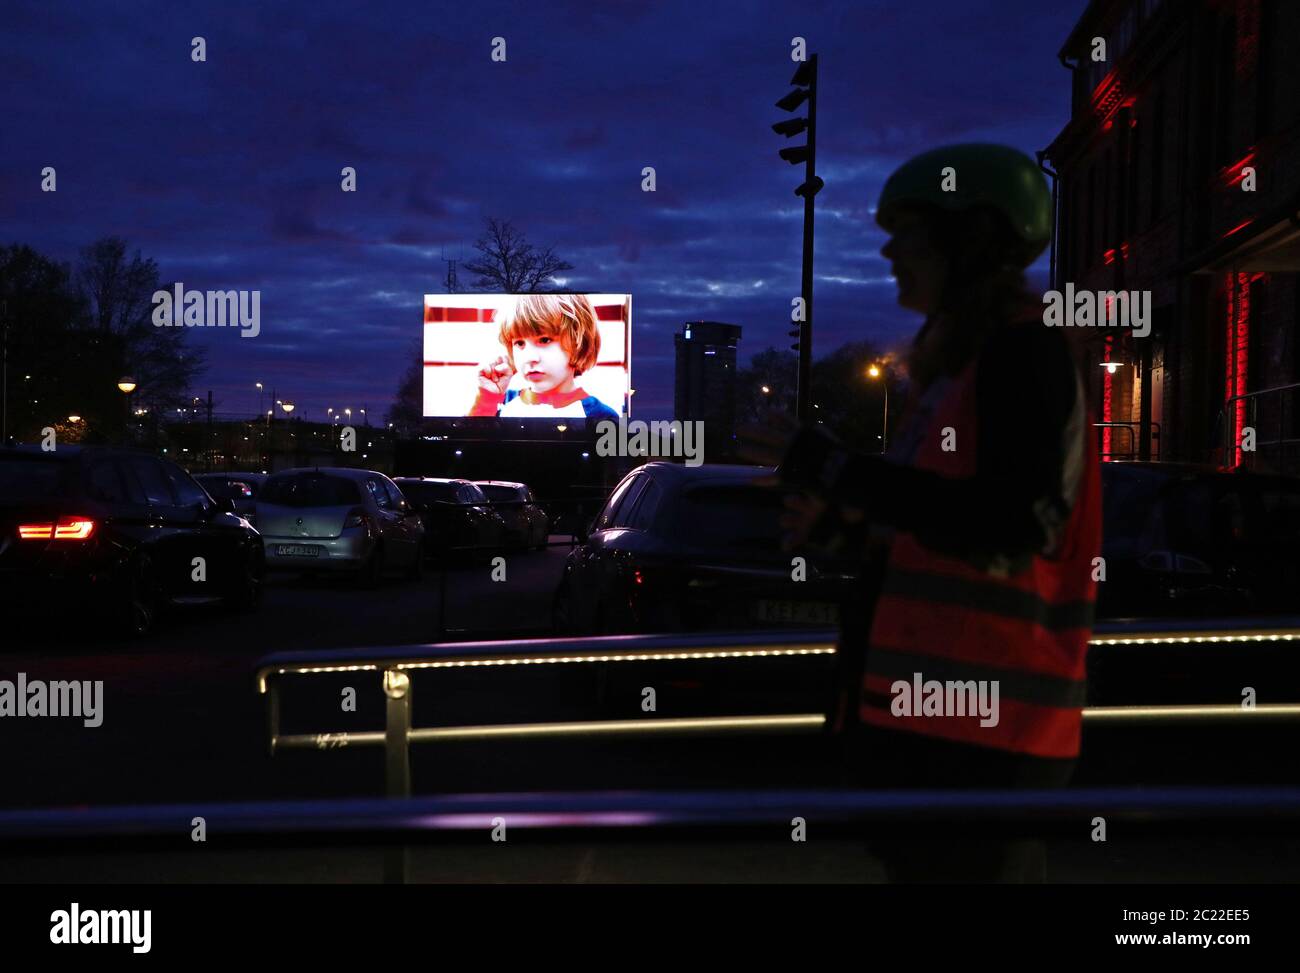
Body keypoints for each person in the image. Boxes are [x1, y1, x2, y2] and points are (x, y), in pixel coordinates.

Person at [745, 143, 1102, 882]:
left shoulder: (1020, 354)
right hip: (939, 733)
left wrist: (839, 470)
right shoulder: (958, 368)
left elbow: (1013, 522)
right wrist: (844, 525)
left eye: (906, 231)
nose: (886, 249)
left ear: (966, 240)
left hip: (985, 735)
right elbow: (940, 528)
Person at [469, 294, 619, 421]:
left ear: (578, 342)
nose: (530, 357)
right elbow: (472, 448)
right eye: (520, 343)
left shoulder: (602, 418)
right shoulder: (500, 403)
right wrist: (487, 399)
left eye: (545, 340)